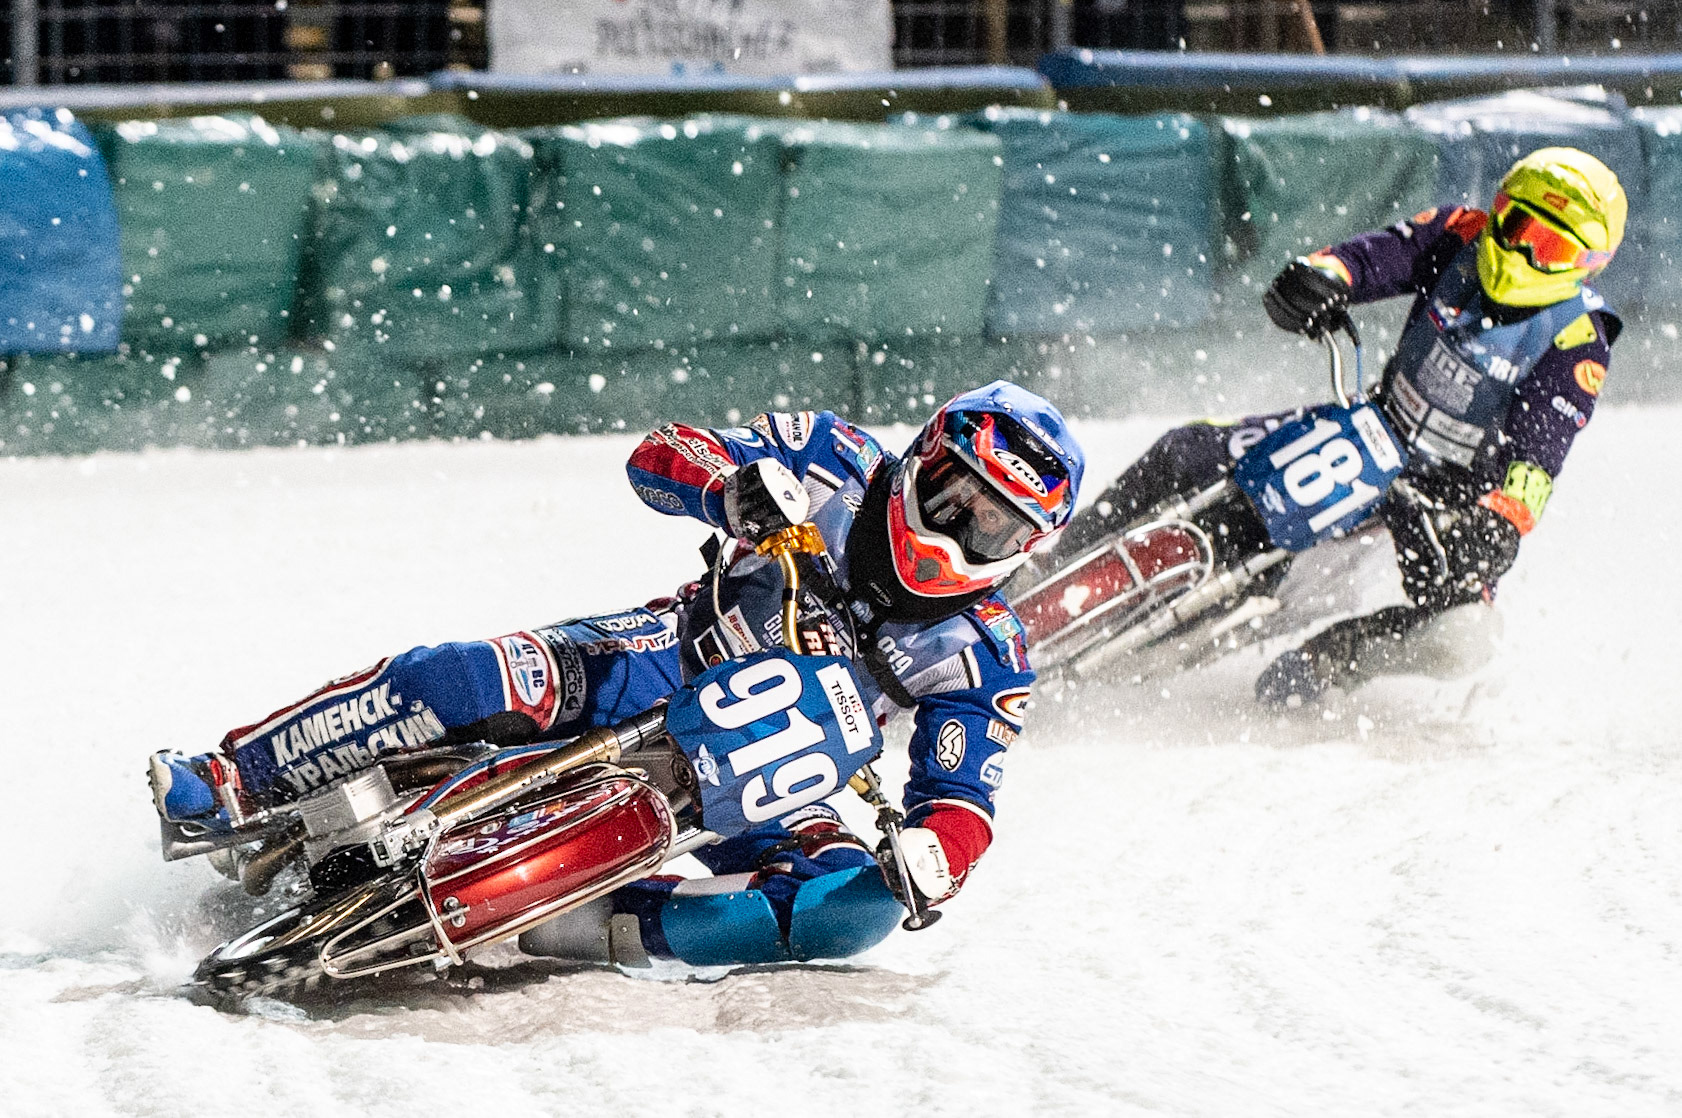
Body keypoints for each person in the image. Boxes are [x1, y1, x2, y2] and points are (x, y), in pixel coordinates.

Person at [149, 381, 1084, 967]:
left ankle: (579, 925)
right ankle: (233, 778)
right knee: (476, 679)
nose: (956, 530)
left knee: (856, 915)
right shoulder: (836, 457)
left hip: (777, 775)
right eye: (951, 494)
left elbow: (965, 797)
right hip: (663, 652)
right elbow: (662, 452)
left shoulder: (988, 652)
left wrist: (935, 860)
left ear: (1025, 547)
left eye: (989, 526)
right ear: (922, 455)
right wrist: (730, 488)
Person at [1039, 146, 1624, 708]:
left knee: (1461, 635)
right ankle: (1049, 561)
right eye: (1517, 225)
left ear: (1586, 264)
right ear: (1497, 211)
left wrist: (1501, 522)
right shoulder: (1460, 232)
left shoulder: (1576, 340)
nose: (1522, 252)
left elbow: (1541, 453)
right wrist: (1321, 276)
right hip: (1372, 427)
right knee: (1186, 449)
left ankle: (1332, 657)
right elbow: (1375, 257)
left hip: (1449, 499)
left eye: (1547, 246)